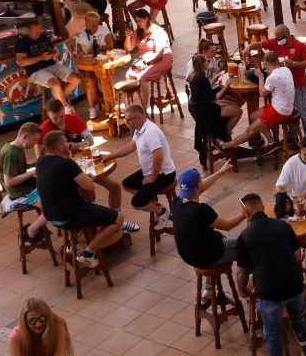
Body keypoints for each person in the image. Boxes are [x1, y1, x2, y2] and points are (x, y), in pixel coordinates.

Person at [234, 192, 306, 356]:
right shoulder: (283, 226)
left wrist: (241, 291)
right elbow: (297, 257)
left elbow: (242, 272)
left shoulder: (244, 237)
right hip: (294, 284)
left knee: (272, 331)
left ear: (246, 212)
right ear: (263, 208)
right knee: (300, 319)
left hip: (270, 291)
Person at [35, 131, 139, 271]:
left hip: (50, 217)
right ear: (60, 147)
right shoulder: (67, 164)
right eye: (66, 142)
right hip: (70, 216)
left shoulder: (41, 161)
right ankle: (88, 253)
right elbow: (89, 186)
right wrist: (86, 176)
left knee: (86, 202)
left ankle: (74, 242)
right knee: (118, 219)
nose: (69, 144)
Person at [100, 103, 177, 231]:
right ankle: (152, 203)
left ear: (139, 118)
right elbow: (130, 146)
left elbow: (159, 156)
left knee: (137, 203)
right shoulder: (139, 129)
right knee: (127, 184)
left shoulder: (150, 133)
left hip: (163, 174)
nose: (126, 122)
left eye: (128, 119)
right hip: (150, 171)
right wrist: (110, 156)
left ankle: (162, 211)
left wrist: (152, 177)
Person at [172, 164, 243, 277]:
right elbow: (228, 225)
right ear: (197, 186)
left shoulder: (176, 203)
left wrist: (221, 172)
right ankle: (252, 284)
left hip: (188, 256)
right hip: (207, 257)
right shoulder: (201, 210)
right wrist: (245, 214)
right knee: (246, 246)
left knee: (204, 242)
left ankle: (208, 289)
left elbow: (202, 186)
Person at [216, 52, 293, 153]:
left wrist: (261, 78)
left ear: (265, 64)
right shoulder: (286, 69)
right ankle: (271, 143)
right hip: (283, 105)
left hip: (280, 110)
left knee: (250, 129)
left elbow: (262, 93)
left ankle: (225, 146)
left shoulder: (272, 77)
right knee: (253, 117)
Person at [253, 24, 306, 136]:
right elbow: (262, 44)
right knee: (290, 112)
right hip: (284, 86)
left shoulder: (300, 46)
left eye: (279, 38)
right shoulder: (276, 42)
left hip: (298, 85)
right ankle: (292, 135)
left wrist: (294, 63)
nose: (277, 40)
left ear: (286, 36)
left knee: (302, 112)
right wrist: (249, 48)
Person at [0, 122, 50, 240]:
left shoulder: (15, 147)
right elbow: (9, 182)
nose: (35, 143)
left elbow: (17, 169)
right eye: (34, 140)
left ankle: (39, 225)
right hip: (20, 191)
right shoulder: (10, 153)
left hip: (27, 185)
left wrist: (32, 164)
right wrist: (32, 172)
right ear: (25, 137)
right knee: (52, 209)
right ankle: (31, 230)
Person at [7, 298, 74, 356]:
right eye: (32, 321)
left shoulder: (58, 325)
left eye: (42, 319)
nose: (38, 324)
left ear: (48, 317)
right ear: (25, 322)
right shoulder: (14, 340)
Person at [15, 19, 81, 105]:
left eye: (40, 30)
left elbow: (54, 51)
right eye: (36, 30)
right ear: (28, 31)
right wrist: (42, 57)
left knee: (77, 79)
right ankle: (64, 109)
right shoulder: (21, 43)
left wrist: (55, 53)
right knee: (56, 85)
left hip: (52, 65)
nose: (39, 32)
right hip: (36, 70)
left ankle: (58, 102)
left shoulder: (43, 37)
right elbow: (22, 62)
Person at [121, 9, 173, 107]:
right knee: (129, 75)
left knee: (141, 78)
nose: (138, 23)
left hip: (162, 58)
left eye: (140, 20)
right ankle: (129, 106)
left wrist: (144, 63)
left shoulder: (158, 32)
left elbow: (159, 55)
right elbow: (128, 48)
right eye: (136, 21)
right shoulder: (138, 32)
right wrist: (128, 37)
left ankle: (144, 108)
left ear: (147, 18)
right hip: (144, 60)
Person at [74, 11, 114, 115]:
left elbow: (110, 45)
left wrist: (95, 49)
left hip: (103, 60)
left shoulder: (103, 29)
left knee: (106, 78)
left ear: (94, 23)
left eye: (87, 21)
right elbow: (79, 51)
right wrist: (89, 51)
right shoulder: (83, 34)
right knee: (89, 81)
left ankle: (111, 103)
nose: (85, 23)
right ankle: (92, 107)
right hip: (90, 62)